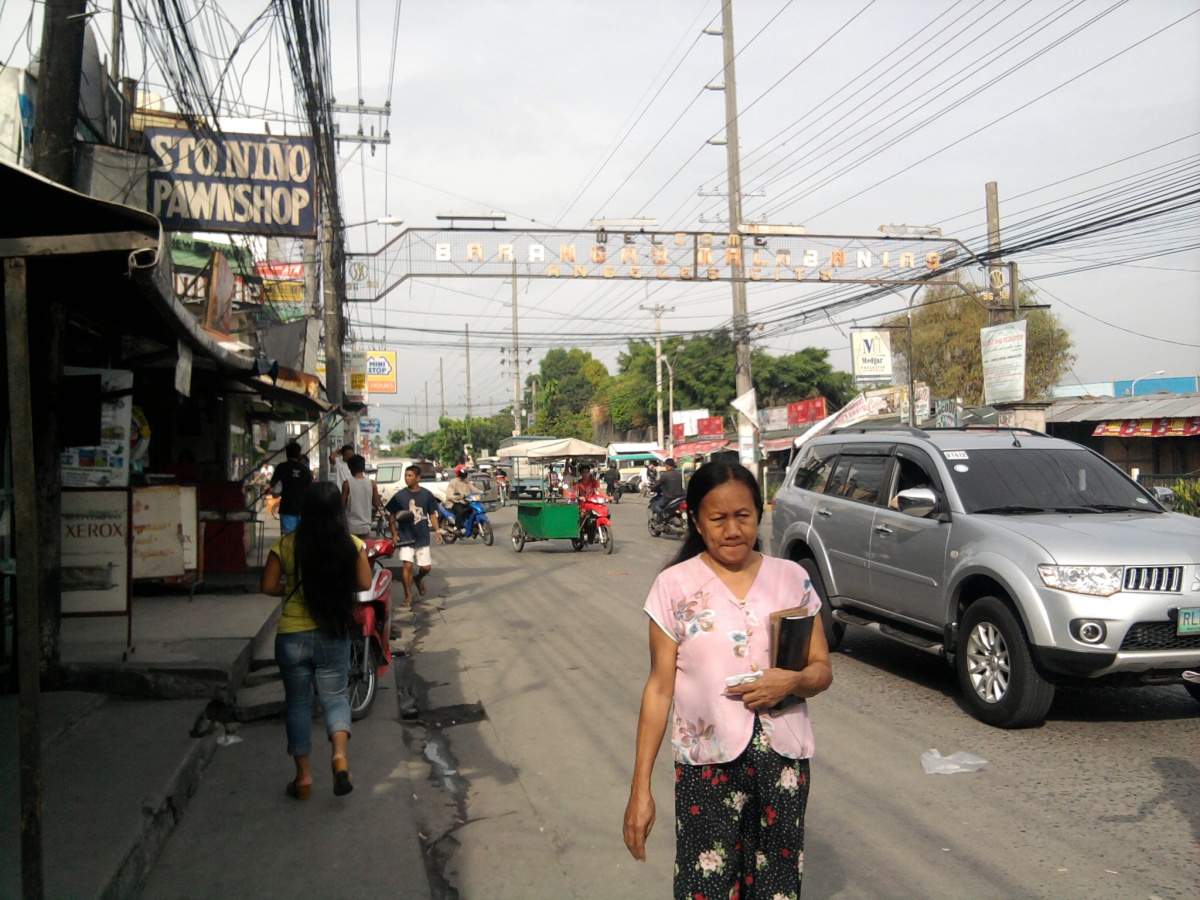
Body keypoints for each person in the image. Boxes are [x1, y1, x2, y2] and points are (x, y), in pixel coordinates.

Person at [623, 460, 833, 898]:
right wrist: (640, 789)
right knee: (707, 887)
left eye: (744, 516)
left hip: (783, 764)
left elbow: (821, 670)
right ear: (696, 521)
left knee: (776, 887)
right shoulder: (673, 587)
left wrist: (789, 682)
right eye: (718, 519)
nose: (732, 529)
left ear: (760, 514)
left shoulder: (792, 579)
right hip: (707, 768)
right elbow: (659, 690)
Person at [261, 482, 373, 801]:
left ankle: (304, 778)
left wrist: (290, 589)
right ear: (338, 509)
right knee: (335, 697)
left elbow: (268, 585)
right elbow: (364, 583)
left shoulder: (286, 544)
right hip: (331, 632)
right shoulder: (350, 545)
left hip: (292, 636)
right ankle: (339, 759)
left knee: (298, 704)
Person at [384, 464, 442, 605]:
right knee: (407, 566)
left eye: (410, 476)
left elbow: (432, 514)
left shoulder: (426, 494)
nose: (407, 478)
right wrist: (394, 533)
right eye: (405, 475)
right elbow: (392, 515)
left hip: (422, 536)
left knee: (426, 567)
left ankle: (418, 579)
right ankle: (408, 596)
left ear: (418, 478)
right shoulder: (400, 495)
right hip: (406, 536)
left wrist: (438, 531)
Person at [269, 442, 313, 535]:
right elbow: (311, 488)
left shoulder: (281, 467)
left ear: (286, 453)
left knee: (287, 539)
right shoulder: (305, 470)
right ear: (299, 453)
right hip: (303, 510)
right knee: (302, 538)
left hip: (287, 508)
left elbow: (273, 484)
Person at [342, 454, 382, 539]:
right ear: (363, 467)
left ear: (350, 468)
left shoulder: (347, 484)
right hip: (366, 526)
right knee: (364, 550)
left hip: (351, 526)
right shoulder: (372, 483)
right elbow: (377, 503)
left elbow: (342, 504)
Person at [649, 457, 686, 524]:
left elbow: (657, 484)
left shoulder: (665, 475)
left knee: (656, 505)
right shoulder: (679, 474)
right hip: (681, 497)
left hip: (669, 497)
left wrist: (651, 488)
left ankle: (663, 517)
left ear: (667, 465)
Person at [445, 464, 480, 533]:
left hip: (465, 501)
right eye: (462, 472)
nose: (464, 474)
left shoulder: (466, 481)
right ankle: (456, 527)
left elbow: (473, 488)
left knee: (472, 509)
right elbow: (449, 494)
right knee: (460, 511)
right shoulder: (453, 482)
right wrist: (457, 497)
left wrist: (482, 492)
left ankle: (469, 524)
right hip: (454, 502)